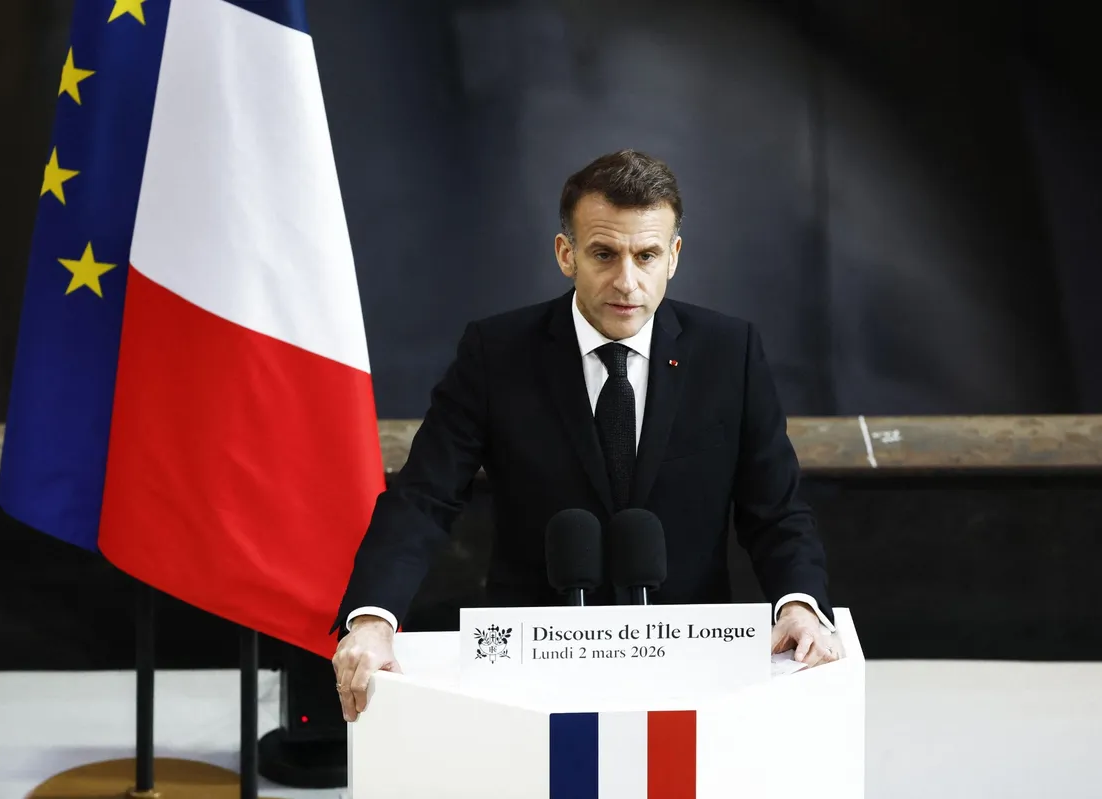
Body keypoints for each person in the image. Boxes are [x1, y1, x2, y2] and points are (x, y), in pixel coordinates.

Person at [331, 149, 838, 722]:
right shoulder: (496, 354)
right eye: (604, 254)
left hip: (689, 659)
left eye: (646, 255)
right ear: (566, 253)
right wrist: (373, 618)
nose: (628, 281)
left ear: (673, 256)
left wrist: (799, 604)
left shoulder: (730, 353)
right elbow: (424, 497)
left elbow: (776, 510)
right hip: (530, 660)